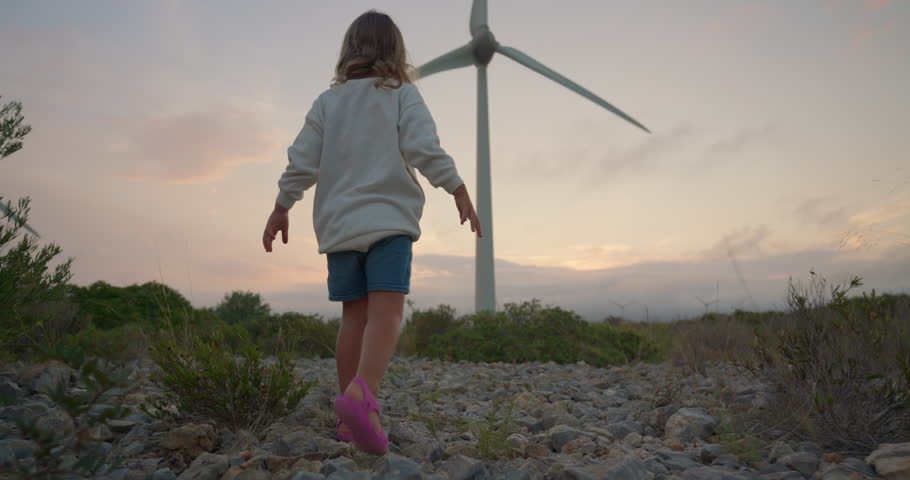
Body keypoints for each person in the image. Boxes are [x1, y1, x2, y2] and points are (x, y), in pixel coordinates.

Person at [261, 9, 482, 455]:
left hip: (339, 227)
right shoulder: (401, 94)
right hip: (388, 221)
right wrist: (457, 189)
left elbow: (302, 160)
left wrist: (281, 206)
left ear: (348, 51)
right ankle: (363, 396)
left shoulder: (327, 103)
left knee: (353, 317)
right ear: (396, 51)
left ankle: (350, 418)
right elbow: (423, 148)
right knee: (388, 312)